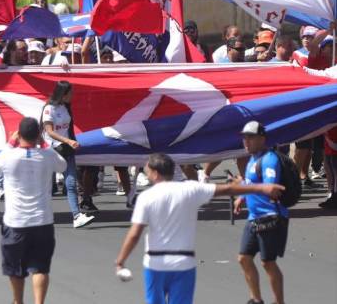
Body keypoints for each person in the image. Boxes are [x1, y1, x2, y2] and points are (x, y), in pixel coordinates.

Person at [114, 153, 285, 304]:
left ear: (155, 173)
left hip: (155, 264)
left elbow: (134, 234)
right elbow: (227, 188)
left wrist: (121, 260)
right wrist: (262, 187)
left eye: (148, 171)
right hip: (183, 263)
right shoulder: (190, 189)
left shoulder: (146, 197)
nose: (147, 174)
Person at [0, 117, 65, 304]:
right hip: (42, 221)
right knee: (41, 268)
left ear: (19, 134)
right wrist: (44, 143)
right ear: (38, 135)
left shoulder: (9, 156)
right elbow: (62, 165)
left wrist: (10, 143)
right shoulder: (47, 156)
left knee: (15, 269)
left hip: (16, 222)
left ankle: (18, 301)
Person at [234, 121, 289, 304]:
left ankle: (279, 302)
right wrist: (242, 196)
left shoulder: (269, 159)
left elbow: (270, 188)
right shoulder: (252, 160)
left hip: (271, 217)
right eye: (244, 137)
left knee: (268, 262)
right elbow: (252, 183)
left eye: (250, 137)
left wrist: (245, 186)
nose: (246, 141)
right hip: (254, 217)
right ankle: (256, 299)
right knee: (244, 258)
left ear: (262, 139)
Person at [41, 81, 95, 228]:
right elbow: (49, 131)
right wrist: (68, 140)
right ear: (63, 94)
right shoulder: (49, 108)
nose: (72, 96)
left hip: (65, 150)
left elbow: (68, 128)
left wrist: (71, 142)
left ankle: (77, 216)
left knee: (71, 183)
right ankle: (39, 215)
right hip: (50, 151)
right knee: (45, 185)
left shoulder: (66, 107)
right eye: (70, 93)